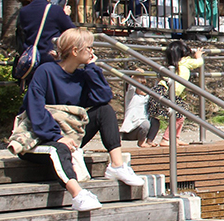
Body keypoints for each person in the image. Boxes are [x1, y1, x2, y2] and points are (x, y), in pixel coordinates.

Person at [16, 28, 144, 210]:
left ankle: (117, 165)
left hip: (69, 133)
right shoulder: (45, 71)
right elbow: (35, 108)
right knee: (58, 148)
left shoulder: (82, 76)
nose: (93, 52)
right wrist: (57, 136)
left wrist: (92, 68)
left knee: (104, 111)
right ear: (75, 51)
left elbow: (103, 97)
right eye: (89, 48)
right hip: (39, 138)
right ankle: (78, 194)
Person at [148, 41, 203, 147]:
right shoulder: (186, 61)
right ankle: (166, 139)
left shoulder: (173, 64)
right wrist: (198, 56)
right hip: (168, 91)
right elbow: (198, 63)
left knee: (180, 114)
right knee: (178, 115)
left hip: (162, 90)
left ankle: (175, 138)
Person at [17, 0, 76, 72]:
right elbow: (72, 31)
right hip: (49, 58)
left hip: (31, 59)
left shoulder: (24, 11)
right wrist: (66, 15)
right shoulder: (55, 10)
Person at [120, 76, 160, 148]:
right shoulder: (131, 97)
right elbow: (131, 88)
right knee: (145, 123)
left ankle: (149, 140)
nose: (142, 88)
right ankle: (141, 143)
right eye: (140, 85)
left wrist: (159, 79)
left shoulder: (146, 97)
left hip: (143, 129)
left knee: (155, 122)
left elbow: (156, 91)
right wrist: (135, 76)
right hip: (132, 130)